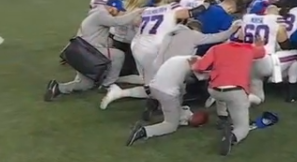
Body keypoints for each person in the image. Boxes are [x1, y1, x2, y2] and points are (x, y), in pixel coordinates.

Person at [101, 17, 238, 109]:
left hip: (159, 65)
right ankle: (212, 101)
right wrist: (233, 28)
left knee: (154, 88)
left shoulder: (170, 33)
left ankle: (121, 93)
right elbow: (219, 37)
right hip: (175, 69)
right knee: (205, 76)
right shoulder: (193, 35)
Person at [44, 0, 142, 101]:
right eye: (118, 10)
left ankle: (58, 87)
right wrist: (136, 12)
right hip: (88, 52)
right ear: (112, 7)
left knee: (85, 85)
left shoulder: (97, 13)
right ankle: (107, 85)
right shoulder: (101, 14)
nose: (117, 13)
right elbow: (118, 22)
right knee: (119, 55)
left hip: (80, 52)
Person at [192, 37, 267, 156]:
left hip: (214, 89)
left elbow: (200, 67)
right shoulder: (248, 49)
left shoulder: (216, 48)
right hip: (236, 91)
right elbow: (262, 53)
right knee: (243, 128)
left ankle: (223, 116)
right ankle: (232, 137)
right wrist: (259, 45)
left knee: (222, 96)